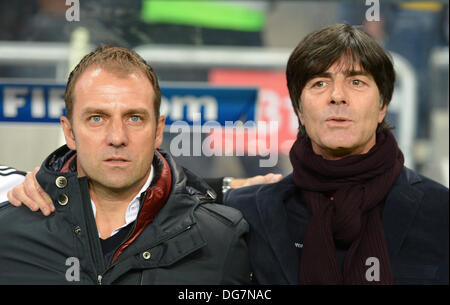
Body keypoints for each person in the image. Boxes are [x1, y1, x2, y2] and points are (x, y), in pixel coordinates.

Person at [9, 24, 449, 285]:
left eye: (356, 82)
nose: (337, 97)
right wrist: (34, 180)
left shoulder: (439, 211)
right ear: (297, 105)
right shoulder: (249, 211)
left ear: (384, 104)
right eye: (318, 84)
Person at [0, 45, 252, 284]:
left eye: (134, 118)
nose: (117, 137)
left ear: (158, 131)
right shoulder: (9, 232)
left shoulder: (221, 239)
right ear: (69, 132)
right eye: (97, 118)